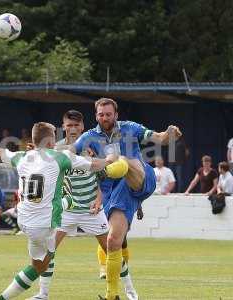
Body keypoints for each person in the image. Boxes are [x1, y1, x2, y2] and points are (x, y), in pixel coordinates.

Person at [0, 122, 129, 300]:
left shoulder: (21, 156)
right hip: (43, 224)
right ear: (50, 142)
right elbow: (97, 165)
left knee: (41, 257)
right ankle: (1, 299)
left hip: (24, 220)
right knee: (38, 267)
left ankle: (41, 294)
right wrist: (112, 159)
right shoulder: (61, 157)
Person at [71, 98, 181, 300]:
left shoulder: (130, 128)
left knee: (123, 160)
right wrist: (43, 152)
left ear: (116, 115)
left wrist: (169, 135)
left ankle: (108, 170)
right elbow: (68, 153)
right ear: (96, 116)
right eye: (101, 114)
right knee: (113, 241)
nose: (104, 118)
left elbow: (158, 137)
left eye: (108, 114)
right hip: (118, 193)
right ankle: (112, 295)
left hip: (141, 177)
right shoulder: (88, 137)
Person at [30, 110, 138, 300]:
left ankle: (130, 291)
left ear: (82, 126)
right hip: (67, 209)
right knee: (49, 249)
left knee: (111, 249)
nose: (72, 129)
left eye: (76, 125)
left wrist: (99, 198)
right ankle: (42, 294)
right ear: (63, 127)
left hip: (92, 209)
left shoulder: (94, 145)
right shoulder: (56, 148)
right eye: (69, 125)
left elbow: (104, 176)